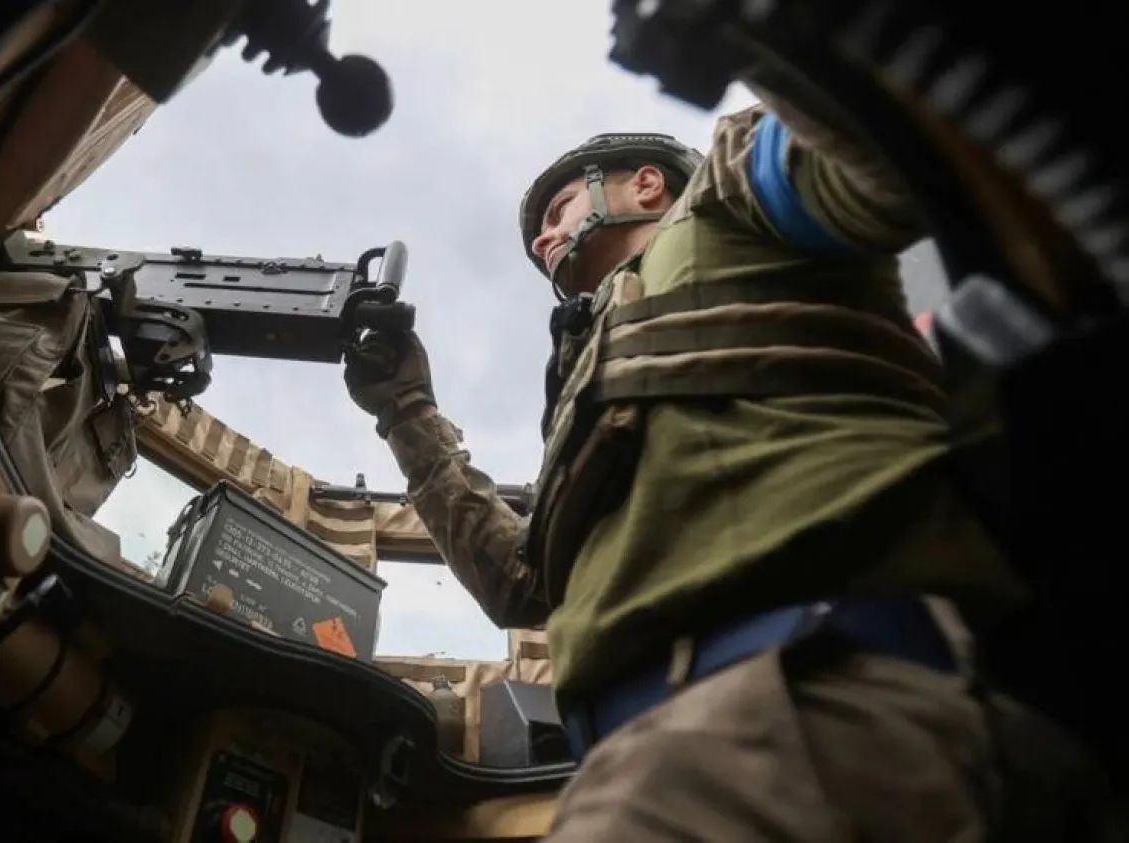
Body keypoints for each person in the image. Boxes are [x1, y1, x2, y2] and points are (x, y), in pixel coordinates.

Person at [341, 93, 1123, 839]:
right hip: (681, 751)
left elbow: (881, 154)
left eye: (556, 213)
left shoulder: (726, 194)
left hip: (796, 714)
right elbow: (522, 586)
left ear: (645, 183)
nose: (544, 241)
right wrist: (407, 411)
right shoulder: (586, 374)